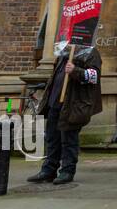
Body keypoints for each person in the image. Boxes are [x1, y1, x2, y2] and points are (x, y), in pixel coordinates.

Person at [27, 44, 103, 185]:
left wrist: (75, 70)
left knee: (69, 140)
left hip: (72, 105)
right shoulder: (64, 51)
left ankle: (67, 171)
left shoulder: (91, 52)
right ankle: (48, 171)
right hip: (54, 103)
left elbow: (94, 77)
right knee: (52, 139)